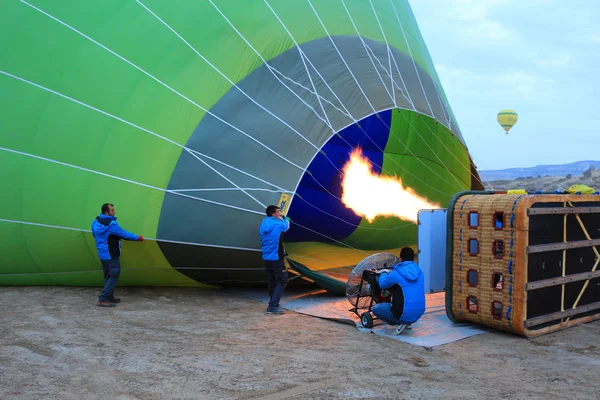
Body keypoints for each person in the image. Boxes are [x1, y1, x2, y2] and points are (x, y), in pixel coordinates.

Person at [92, 203, 143, 307]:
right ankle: (102, 299)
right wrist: (138, 238)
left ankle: (109, 296)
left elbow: (94, 235)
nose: (114, 211)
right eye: (112, 210)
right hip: (111, 255)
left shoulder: (95, 221)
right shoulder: (111, 224)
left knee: (108, 276)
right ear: (106, 212)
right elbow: (124, 234)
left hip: (102, 254)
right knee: (114, 276)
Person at [372, 247, 425, 335]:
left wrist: (384, 273)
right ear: (413, 259)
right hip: (419, 313)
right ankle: (407, 320)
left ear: (401, 259)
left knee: (376, 308)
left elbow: (382, 284)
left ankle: (401, 321)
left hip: (403, 313)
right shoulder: (419, 271)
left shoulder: (397, 272)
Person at [259, 205, 291, 315]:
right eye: (278, 212)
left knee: (272, 280)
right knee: (282, 281)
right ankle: (272, 306)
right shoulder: (278, 223)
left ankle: (273, 302)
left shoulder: (264, 223)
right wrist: (286, 219)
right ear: (273, 214)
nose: (279, 214)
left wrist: (281, 218)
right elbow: (285, 226)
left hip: (267, 258)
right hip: (276, 258)